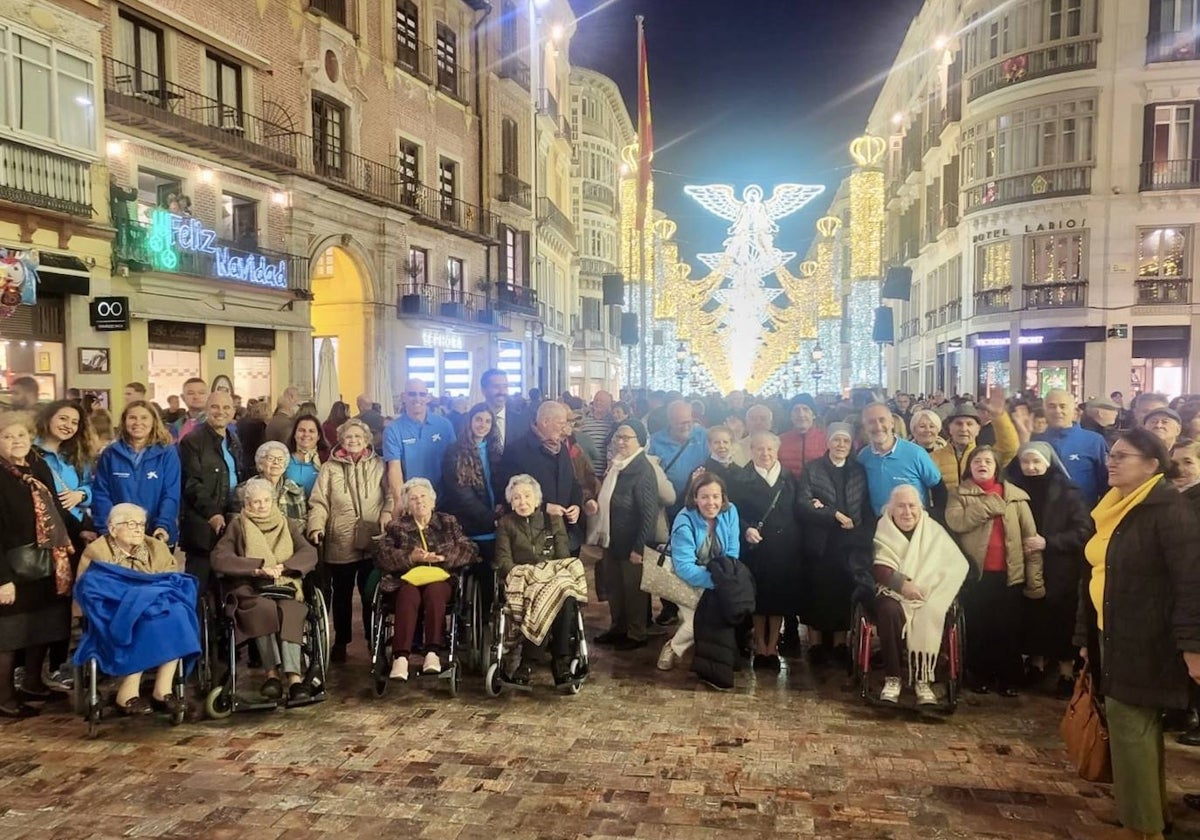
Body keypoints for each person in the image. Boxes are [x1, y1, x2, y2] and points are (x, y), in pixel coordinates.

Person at [1078, 428, 1200, 840]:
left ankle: (1142, 827)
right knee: (1133, 726)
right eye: (1111, 454)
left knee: (1132, 725)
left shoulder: (1168, 511)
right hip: (1113, 628)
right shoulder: (1117, 505)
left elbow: (1191, 582)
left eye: (1122, 456)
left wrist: (1192, 646)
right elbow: (1098, 571)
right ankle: (1144, 809)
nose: (1111, 462)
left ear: (1152, 465)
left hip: (1148, 635)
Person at [73, 503, 197, 717]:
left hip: (158, 607)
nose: (139, 529)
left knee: (179, 614)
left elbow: (172, 581)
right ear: (112, 529)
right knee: (141, 618)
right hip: (114, 614)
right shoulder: (97, 552)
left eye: (141, 524)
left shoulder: (156, 548)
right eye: (131, 524)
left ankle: (163, 690)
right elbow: (89, 590)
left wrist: (148, 594)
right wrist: (136, 597)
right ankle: (127, 694)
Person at [944, 446, 1045, 696]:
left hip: (1010, 574)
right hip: (976, 574)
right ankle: (978, 674)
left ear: (996, 467)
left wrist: (1035, 581)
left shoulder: (1016, 497)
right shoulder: (959, 493)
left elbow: (1030, 540)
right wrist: (989, 504)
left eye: (988, 461)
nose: (982, 464)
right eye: (977, 460)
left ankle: (1008, 678)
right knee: (979, 627)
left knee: (1008, 629)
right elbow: (957, 522)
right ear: (969, 466)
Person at [0, 411, 80, 717]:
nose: (16, 441)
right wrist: (2, 579)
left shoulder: (37, 465)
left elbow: (58, 511)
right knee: (9, 635)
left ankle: (33, 684)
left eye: (21, 435)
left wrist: (84, 528)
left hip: (48, 562)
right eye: (8, 436)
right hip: (13, 567)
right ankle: (4, 697)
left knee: (42, 626)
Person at [212, 478, 318, 704]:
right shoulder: (237, 525)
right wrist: (255, 569)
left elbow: (309, 553)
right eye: (256, 502)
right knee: (263, 609)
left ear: (273, 501)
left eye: (266, 501)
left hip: (284, 586)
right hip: (251, 589)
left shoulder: (286, 523)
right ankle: (271, 675)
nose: (261, 506)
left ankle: (294, 678)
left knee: (291, 612)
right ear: (247, 504)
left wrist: (286, 567)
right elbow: (220, 558)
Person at [1005, 441, 1092, 696]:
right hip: (1025, 564)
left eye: (1036, 462)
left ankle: (1066, 673)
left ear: (1048, 462)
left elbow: (1083, 531)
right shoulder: (1013, 488)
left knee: (1060, 620)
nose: (1031, 467)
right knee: (1032, 617)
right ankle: (1036, 665)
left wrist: (1049, 542)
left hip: (1059, 567)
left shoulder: (1068, 490)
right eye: (1026, 462)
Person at [872, 485, 969, 706]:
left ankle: (922, 679)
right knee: (888, 610)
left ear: (920, 507)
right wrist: (902, 585)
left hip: (929, 594)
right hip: (893, 592)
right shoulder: (882, 528)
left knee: (932, 610)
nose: (907, 512)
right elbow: (878, 566)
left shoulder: (934, 530)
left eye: (912, 506)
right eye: (901, 506)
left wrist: (934, 588)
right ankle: (893, 677)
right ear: (891, 508)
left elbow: (957, 564)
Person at [307, 418, 393, 663]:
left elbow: (391, 496)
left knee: (370, 593)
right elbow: (319, 502)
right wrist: (316, 526)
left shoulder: (379, 465)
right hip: (340, 540)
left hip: (373, 538)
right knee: (342, 595)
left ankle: (371, 639)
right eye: (348, 437)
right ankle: (341, 641)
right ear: (340, 440)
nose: (353, 441)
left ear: (367, 440)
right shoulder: (329, 468)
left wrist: (387, 513)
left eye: (358, 437)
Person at [376, 478, 477, 680]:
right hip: (407, 579)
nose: (419, 501)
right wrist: (410, 557)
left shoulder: (448, 522)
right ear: (407, 505)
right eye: (413, 498)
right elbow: (382, 555)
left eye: (423, 496)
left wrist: (442, 557)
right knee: (407, 593)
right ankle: (401, 657)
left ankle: (433, 652)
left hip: (441, 578)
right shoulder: (397, 527)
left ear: (432, 500)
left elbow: (470, 549)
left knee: (435, 591)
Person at [494, 474, 587, 687]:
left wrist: (546, 575)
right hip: (523, 580)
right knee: (540, 592)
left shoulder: (552, 520)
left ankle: (559, 661)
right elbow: (503, 561)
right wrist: (530, 574)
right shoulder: (506, 524)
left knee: (566, 592)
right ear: (511, 501)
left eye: (527, 496)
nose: (522, 502)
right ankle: (530, 662)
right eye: (516, 497)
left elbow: (563, 557)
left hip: (554, 577)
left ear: (537, 499)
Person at [795, 423, 874, 667]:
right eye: (836, 440)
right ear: (828, 442)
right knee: (816, 591)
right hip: (820, 541)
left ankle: (840, 643)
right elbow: (804, 503)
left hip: (848, 541)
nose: (841, 445)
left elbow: (864, 504)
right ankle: (816, 643)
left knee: (843, 590)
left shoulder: (858, 470)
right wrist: (834, 515)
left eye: (845, 441)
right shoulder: (813, 468)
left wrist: (857, 524)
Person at [729, 430, 801, 670]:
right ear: (751, 451)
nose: (765, 453)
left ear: (777, 450)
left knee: (778, 597)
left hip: (784, 548)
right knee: (758, 599)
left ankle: (773, 647)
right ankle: (760, 646)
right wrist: (745, 529)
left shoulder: (789, 478)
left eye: (770, 448)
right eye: (760, 448)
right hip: (755, 547)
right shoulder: (740, 478)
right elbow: (732, 511)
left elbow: (797, 510)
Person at [656, 472, 741, 673]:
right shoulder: (684, 520)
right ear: (695, 498)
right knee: (696, 622)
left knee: (715, 618)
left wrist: (724, 576)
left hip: (718, 576)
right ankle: (672, 648)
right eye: (704, 497)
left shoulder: (730, 512)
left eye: (715, 496)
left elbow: (732, 551)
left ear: (723, 497)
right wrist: (717, 582)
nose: (710, 502)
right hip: (687, 579)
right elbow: (684, 567)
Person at [590, 419, 660, 651]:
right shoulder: (618, 465)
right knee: (615, 587)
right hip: (612, 538)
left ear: (639, 440)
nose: (620, 442)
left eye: (626, 438)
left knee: (634, 591)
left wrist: (639, 547)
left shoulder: (642, 469)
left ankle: (636, 633)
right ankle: (618, 627)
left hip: (631, 542)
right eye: (618, 437)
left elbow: (648, 513)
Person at [497, 400, 586, 550]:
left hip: (563, 532)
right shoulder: (517, 451)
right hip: (532, 537)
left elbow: (573, 483)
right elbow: (508, 495)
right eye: (561, 423)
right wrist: (543, 508)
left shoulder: (562, 449)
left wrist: (576, 505)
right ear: (545, 422)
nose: (565, 429)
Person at [179, 391, 243, 595]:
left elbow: (239, 479)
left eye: (226, 408)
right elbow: (191, 484)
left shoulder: (234, 440)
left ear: (233, 411)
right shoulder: (192, 441)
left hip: (230, 521)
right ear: (207, 409)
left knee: (226, 589)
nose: (220, 412)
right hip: (202, 527)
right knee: (199, 589)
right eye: (215, 407)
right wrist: (212, 514)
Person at [92, 401, 180, 546]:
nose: (138, 422)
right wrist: (107, 528)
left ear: (154, 422)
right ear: (124, 421)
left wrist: (163, 525)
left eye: (144, 418)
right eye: (132, 418)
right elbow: (101, 493)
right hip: (119, 536)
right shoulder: (110, 454)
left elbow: (171, 493)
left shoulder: (167, 453)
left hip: (155, 534)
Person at [857, 402, 945, 516]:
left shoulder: (916, 453)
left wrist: (934, 519)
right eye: (871, 422)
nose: (878, 426)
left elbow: (938, 489)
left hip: (914, 525)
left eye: (882, 420)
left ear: (892, 423)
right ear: (865, 427)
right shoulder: (864, 457)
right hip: (881, 526)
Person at [383, 378, 457, 506]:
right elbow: (394, 469)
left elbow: (455, 461)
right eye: (412, 394)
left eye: (422, 394)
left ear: (428, 397)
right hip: (413, 502)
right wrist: (399, 502)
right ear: (403, 397)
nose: (417, 399)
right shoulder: (393, 429)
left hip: (444, 499)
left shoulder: (444, 425)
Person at [1034, 389, 1109, 507]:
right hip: (1044, 516)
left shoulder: (1094, 441)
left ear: (1074, 410)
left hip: (1085, 515)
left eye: (1063, 406)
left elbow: (1106, 484)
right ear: (1044, 410)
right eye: (1051, 406)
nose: (1057, 411)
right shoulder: (1035, 441)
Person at [930, 392, 1018, 491]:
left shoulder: (986, 458)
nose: (964, 429)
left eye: (969, 424)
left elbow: (1009, 448)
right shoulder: (934, 458)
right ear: (949, 428)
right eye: (958, 424)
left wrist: (999, 416)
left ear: (978, 429)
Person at [34, 400, 97, 528]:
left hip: (73, 526)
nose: (68, 426)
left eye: (74, 423)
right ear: (48, 418)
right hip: (41, 528)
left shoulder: (77, 454)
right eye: (63, 419)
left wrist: (81, 495)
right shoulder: (29, 451)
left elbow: (90, 484)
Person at [237, 441, 308, 529]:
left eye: (280, 459)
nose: (276, 462)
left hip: (290, 539)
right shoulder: (244, 489)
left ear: (285, 465)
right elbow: (238, 522)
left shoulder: (296, 489)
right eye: (270, 458)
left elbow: (303, 522)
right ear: (260, 464)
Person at [778, 397, 826, 479]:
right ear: (790, 416)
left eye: (805, 409)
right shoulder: (779, 441)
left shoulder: (826, 439)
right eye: (796, 410)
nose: (801, 414)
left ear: (813, 415)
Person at [576, 390, 616, 479]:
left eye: (601, 401)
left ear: (609, 404)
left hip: (606, 472)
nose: (598, 403)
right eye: (596, 400)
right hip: (586, 472)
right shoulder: (584, 420)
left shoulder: (613, 422)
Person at [285, 414, 327, 498]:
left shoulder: (326, 460)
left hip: (318, 509)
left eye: (311, 431)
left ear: (318, 436)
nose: (306, 434)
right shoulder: (283, 458)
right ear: (294, 434)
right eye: (301, 430)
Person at [236, 399, 270, 467]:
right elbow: (262, 446)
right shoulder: (260, 426)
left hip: (241, 460)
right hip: (254, 462)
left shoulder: (241, 422)